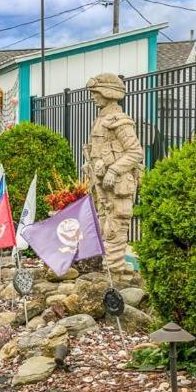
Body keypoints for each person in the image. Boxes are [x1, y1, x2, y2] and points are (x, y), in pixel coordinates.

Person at [83, 73, 144, 275]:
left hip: (117, 185)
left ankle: (115, 269)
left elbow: (135, 152)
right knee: (104, 225)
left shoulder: (120, 122)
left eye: (96, 92)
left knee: (115, 225)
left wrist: (114, 169)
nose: (93, 97)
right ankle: (109, 268)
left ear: (108, 93)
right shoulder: (101, 120)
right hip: (101, 185)